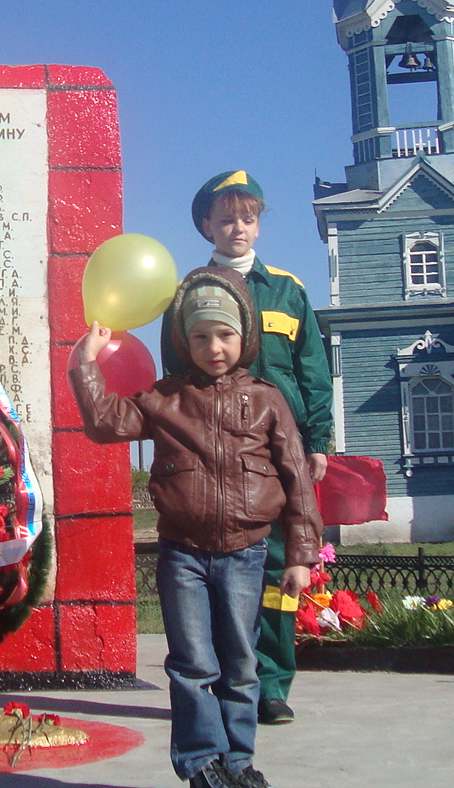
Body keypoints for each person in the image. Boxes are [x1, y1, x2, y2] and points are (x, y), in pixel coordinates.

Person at [74, 268, 322, 788]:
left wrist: (300, 555)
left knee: (241, 662)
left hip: (246, 554)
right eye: (201, 335)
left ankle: (238, 762)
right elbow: (104, 423)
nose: (214, 347)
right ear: (184, 342)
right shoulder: (166, 399)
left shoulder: (266, 400)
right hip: (183, 555)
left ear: (245, 336)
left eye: (226, 334)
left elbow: (297, 477)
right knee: (191, 664)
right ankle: (202, 764)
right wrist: (86, 363)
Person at [160, 171, 335, 727]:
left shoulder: (288, 290)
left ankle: (272, 684)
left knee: (282, 569)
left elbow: (313, 372)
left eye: (248, 217)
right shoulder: (189, 292)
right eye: (227, 217)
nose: (239, 227)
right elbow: (175, 376)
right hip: (215, 461)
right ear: (207, 224)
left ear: (258, 223)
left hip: (279, 459)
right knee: (218, 573)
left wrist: (319, 442)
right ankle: (216, 684)